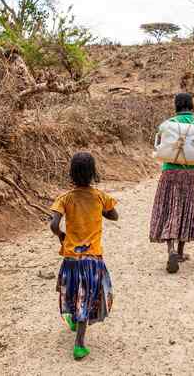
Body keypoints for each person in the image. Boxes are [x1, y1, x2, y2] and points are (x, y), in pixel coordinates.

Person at [49, 152, 119, 361]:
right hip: (92, 259)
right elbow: (114, 215)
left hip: (71, 257)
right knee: (86, 298)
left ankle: (71, 316)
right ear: (93, 173)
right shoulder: (100, 197)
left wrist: (62, 235)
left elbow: (53, 224)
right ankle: (79, 344)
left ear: (71, 173)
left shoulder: (65, 198)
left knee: (71, 290)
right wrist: (101, 212)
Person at [149, 92, 194, 273]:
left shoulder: (167, 125)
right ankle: (180, 252)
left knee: (170, 208)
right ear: (191, 105)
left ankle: (169, 249)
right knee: (187, 209)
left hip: (169, 172)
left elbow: (159, 148)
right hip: (192, 175)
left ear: (176, 105)